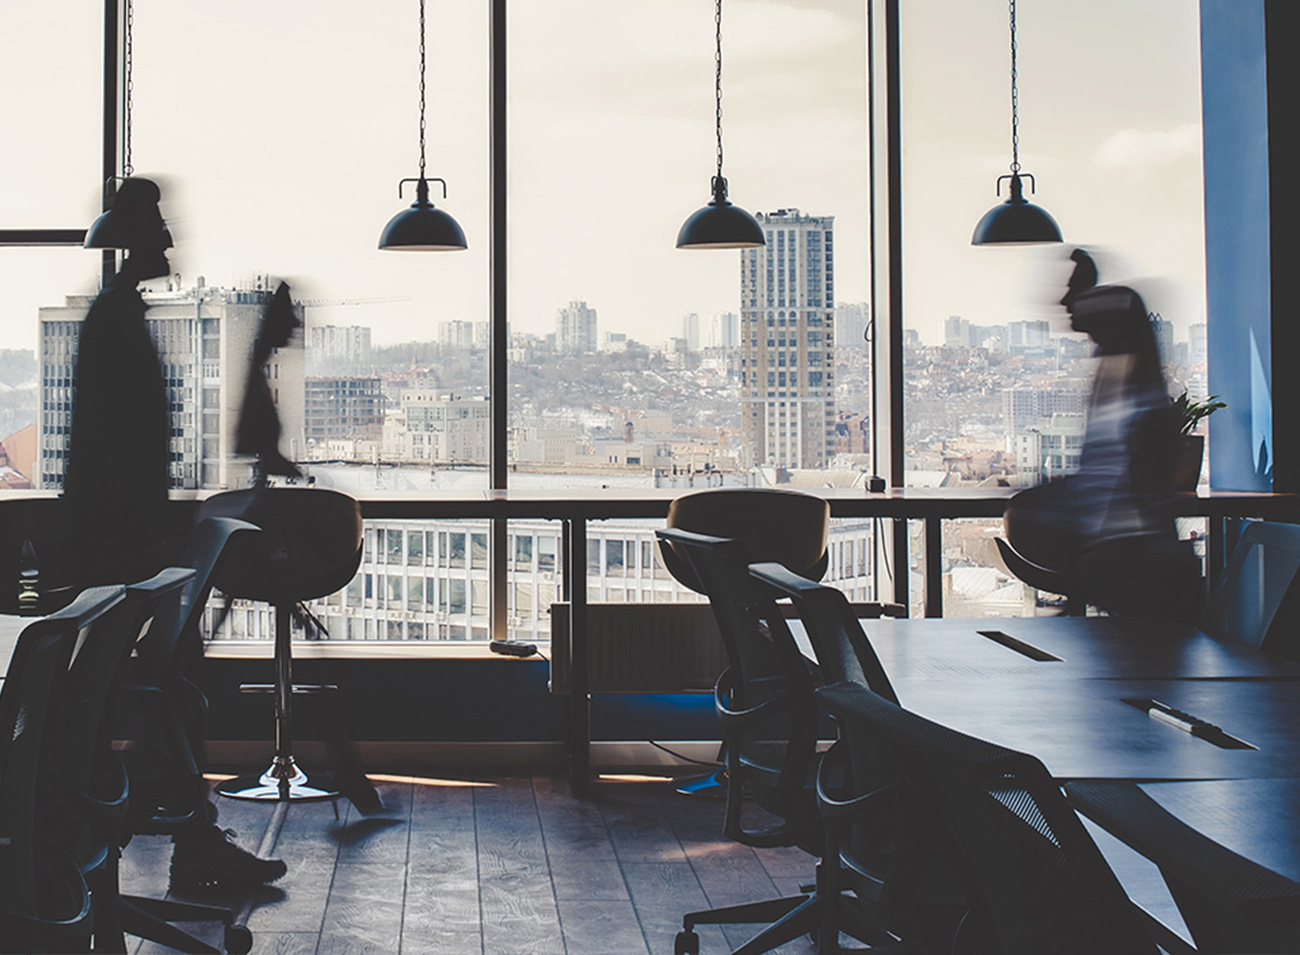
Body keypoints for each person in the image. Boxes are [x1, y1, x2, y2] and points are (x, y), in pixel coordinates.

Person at [62, 177, 288, 891]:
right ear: (131, 239)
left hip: (115, 545)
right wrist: (155, 542)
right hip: (123, 549)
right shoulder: (117, 324)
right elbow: (121, 449)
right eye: (158, 229)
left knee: (147, 691)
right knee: (160, 686)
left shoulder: (115, 319)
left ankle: (108, 839)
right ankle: (184, 842)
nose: (169, 240)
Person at [1058, 248, 1203, 620]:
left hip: (1131, 561)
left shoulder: (1127, 394)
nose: (1066, 304)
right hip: (1126, 558)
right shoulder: (1122, 382)